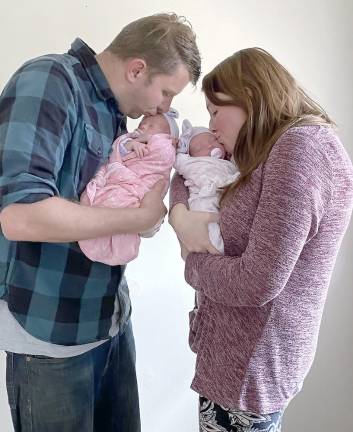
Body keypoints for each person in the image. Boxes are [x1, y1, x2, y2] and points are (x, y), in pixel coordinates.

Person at [0, 13, 200, 432]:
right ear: (137, 69)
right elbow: (20, 215)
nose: (165, 107)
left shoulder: (113, 111)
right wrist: (138, 217)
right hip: (50, 334)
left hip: (107, 319)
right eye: (165, 92)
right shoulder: (51, 81)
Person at [169, 47, 353, 432]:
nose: (212, 127)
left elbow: (258, 283)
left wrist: (192, 261)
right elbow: (192, 174)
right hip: (238, 357)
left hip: (250, 365)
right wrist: (179, 217)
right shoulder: (271, 151)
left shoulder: (300, 150)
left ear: (250, 96)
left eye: (216, 111)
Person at [79, 110, 179, 265]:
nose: (144, 127)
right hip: (120, 182)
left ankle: (117, 245)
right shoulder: (128, 139)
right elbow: (116, 151)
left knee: (124, 210)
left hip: (137, 190)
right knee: (101, 200)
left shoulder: (165, 149)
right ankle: (98, 237)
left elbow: (164, 156)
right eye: (142, 124)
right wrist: (130, 144)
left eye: (151, 126)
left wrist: (157, 140)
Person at [174, 119, 239, 253]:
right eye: (199, 148)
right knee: (208, 230)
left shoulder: (229, 160)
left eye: (212, 141)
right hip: (203, 197)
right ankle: (216, 251)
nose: (209, 147)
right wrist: (175, 147)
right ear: (190, 155)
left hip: (224, 191)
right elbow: (176, 160)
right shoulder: (191, 163)